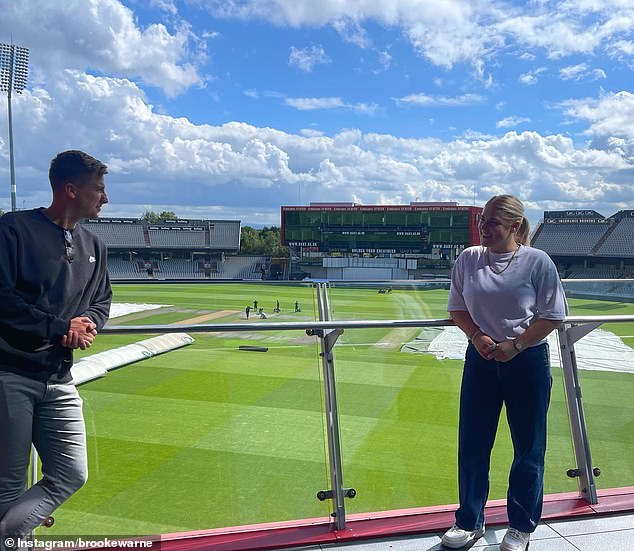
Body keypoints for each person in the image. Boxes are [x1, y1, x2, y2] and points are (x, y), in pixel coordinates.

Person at [442, 195, 566, 551]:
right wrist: (477, 335)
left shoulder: (537, 261)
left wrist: (516, 345)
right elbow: (457, 307)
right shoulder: (469, 259)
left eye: (493, 222)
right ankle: (469, 520)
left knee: (528, 448)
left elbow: (553, 315)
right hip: (480, 359)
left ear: (514, 225)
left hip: (526, 362)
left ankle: (521, 525)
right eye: (483, 220)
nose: (484, 227)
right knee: (473, 443)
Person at [0, 150, 112, 540]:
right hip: (9, 376)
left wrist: (85, 327)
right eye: (98, 189)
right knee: (7, 487)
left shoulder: (95, 245)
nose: (105, 198)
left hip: (60, 378)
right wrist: (60, 327)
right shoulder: (12, 230)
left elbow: (101, 302)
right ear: (70, 190)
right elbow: (3, 302)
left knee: (71, 473)